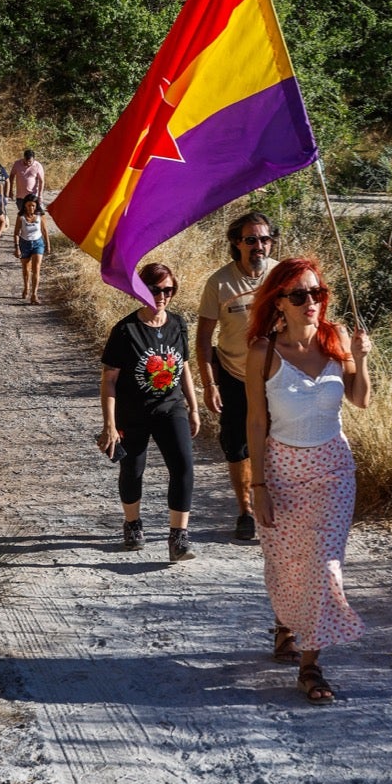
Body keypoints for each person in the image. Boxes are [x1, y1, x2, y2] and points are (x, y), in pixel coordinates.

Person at [245, 256, 372, 704]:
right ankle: (286, 624)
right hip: (281, 471)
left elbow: (359, 400)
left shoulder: (335, 338)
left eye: (316, 293)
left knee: (324, 565)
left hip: (333, 470)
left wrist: (359, 359)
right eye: (299, 295)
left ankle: (311, 664)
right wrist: (256, 486)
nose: (311, 302)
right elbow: (256, 423)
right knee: (286, 564)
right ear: (279, 301)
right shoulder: (263, 351)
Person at [98, 262, 200, 561]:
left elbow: (183, 367)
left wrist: (193, 407)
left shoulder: (178, 324)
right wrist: (109, 425)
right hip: (133, 412)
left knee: (183, 467)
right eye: (155, 289)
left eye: (168, 290)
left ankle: (178, 539)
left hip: (171, 407)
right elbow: (109, 380)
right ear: (141, 291)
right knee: (133, 469)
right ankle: (132, 524)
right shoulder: (125, 330)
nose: (162, 296)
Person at [196, 212, 277, 542]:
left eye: (265, 239)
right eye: (251, 240)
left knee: (279, 442)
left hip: (276, 376)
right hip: (233, 375)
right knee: (238, 446)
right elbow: (203, 337)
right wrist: (209, 383)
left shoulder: (282, 276)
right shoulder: (220, 282)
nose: (259, 246)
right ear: (236, 242)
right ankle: (245, 511)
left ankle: (275, 506)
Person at [13, 195, 50, 303]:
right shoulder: (21, 217)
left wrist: (48, 244)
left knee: (36, 268)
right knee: (26, 269)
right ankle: (26, 287)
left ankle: (34, 294)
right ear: (24, 205)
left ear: (36, 206)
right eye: (29, 205)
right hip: (24, 243)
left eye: (33, 206)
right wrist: (16, 247)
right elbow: (16, 233)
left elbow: (44, 230)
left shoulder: (40, 216)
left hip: (38, 243)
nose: (31, 208)